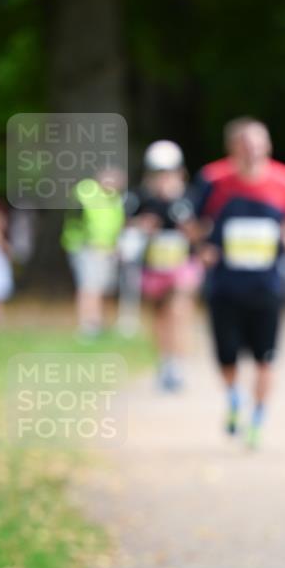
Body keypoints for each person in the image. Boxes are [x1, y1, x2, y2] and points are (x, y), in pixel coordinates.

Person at [196, 118, 285, 447]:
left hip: (267, 287)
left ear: (269, 146)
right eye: (245, 145)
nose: (253, 151)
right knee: (227, 356)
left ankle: (258, 418)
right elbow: (194, 223)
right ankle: (234, 399)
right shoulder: (213, 179)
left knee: (265, 357)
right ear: (232, 148)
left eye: (259, 144)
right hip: (224, 286)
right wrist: (203, 247)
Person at [128, 140, 203, 392]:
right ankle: (165, 360)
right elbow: (127, 229)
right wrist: (142, 227)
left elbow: (200, 232)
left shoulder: (189, 198)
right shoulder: (140, 198)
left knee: (179, 310)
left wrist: (188, 227)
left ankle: (177, 365)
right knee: (160, 315)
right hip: (153, 266)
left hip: (182, 265)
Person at [61, 167, 126, 338]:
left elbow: (115, 224)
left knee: (104, 289)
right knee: (89, 287)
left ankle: (99, 323)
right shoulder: (88, 191)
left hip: (107, 250)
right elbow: (79, 214)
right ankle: (88, 325)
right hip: (86, 248)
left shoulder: (115, 199)